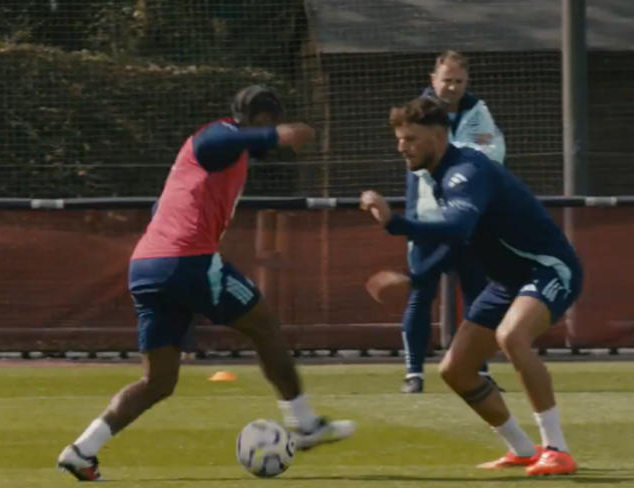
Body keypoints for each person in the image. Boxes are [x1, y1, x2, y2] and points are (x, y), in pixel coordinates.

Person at [57, 85, 355, 481]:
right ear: (252, 119)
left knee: (158, 381)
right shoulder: (217, 136)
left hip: (147, 268)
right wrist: (279, 136)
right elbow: (220, 139)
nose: (270, 129)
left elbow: (163, 206)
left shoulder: (222, 158)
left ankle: (81, 451)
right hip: (187, 262)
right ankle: (305, 424)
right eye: (267, 121)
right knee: (264, 324)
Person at [361, 97, 581, 476]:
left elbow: (457, 230)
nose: (402, 147)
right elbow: (460, 240)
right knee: (455, 370)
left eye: (411, 138)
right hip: (508, 280)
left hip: (547, 268)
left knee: (512, 337)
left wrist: (394, 224)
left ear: (438, 135)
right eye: (399, 139)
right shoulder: (441, 172)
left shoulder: (465, 169)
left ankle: (557, 449)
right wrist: (414, 278)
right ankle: (523, 450)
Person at [392, 50, 507, 394]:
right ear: (433, 79)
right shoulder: (418, 113)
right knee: (420, 294)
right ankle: (414, 373)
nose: (452, 87)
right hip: (428, 220)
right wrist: (461, 158)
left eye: (458, 81)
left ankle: (479, 371)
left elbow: (494, 153)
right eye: (447, 80)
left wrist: (455, 158)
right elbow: (423, 157)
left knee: (478, 296)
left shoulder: (478, 111)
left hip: (471, 223)